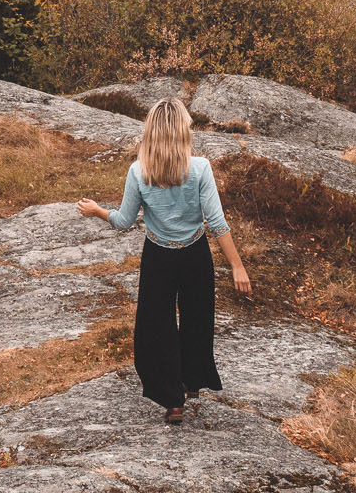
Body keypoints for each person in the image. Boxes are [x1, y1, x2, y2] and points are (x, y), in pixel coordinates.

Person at [77, 98, 252, 424]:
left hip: (158, 257)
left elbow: (124, 221)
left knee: (157, 327)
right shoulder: (200, 168)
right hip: (195, 255)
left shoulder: (139, 171)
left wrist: (99, 211)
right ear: (179, 132)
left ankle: (174, 400)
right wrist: (237, 266)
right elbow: (217, 224)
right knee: (196, 319)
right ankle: (188, 382)